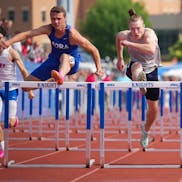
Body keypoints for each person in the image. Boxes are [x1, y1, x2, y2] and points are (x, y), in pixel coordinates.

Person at [0, 6, 104, 89]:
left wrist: (99, 68)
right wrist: (9, 42)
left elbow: (93, 49)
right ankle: (54, 78)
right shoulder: (49, 29)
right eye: (53, 19)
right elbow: (27, 34)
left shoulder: (72, 34)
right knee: (26, 86)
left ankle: (60, 76)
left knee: (64, 56)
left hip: (71, 63)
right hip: (53, 61)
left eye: (59, 19)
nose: (56, 22)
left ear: (64, 19)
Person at [116, 8, 161, 149]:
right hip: (136, 65)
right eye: (133, 29)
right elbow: (118, 38)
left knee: (153, 110)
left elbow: (150, 49)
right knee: (136, 66)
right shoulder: (124, 35)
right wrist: (120, 58)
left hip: (152, 70)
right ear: (129, 29)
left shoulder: (149, 34)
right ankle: (140, 83)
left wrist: (129, 44)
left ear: (144, 26)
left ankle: (145, 131)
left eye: (138, 29)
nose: (136, 32)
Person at [0, 26, 34, 158]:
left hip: (11, 89)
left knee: (10, 123)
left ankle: (14, 120)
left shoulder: (11, 53)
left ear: (4, 38)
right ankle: (2, 148)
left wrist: (29, 90)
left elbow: (24, 72)